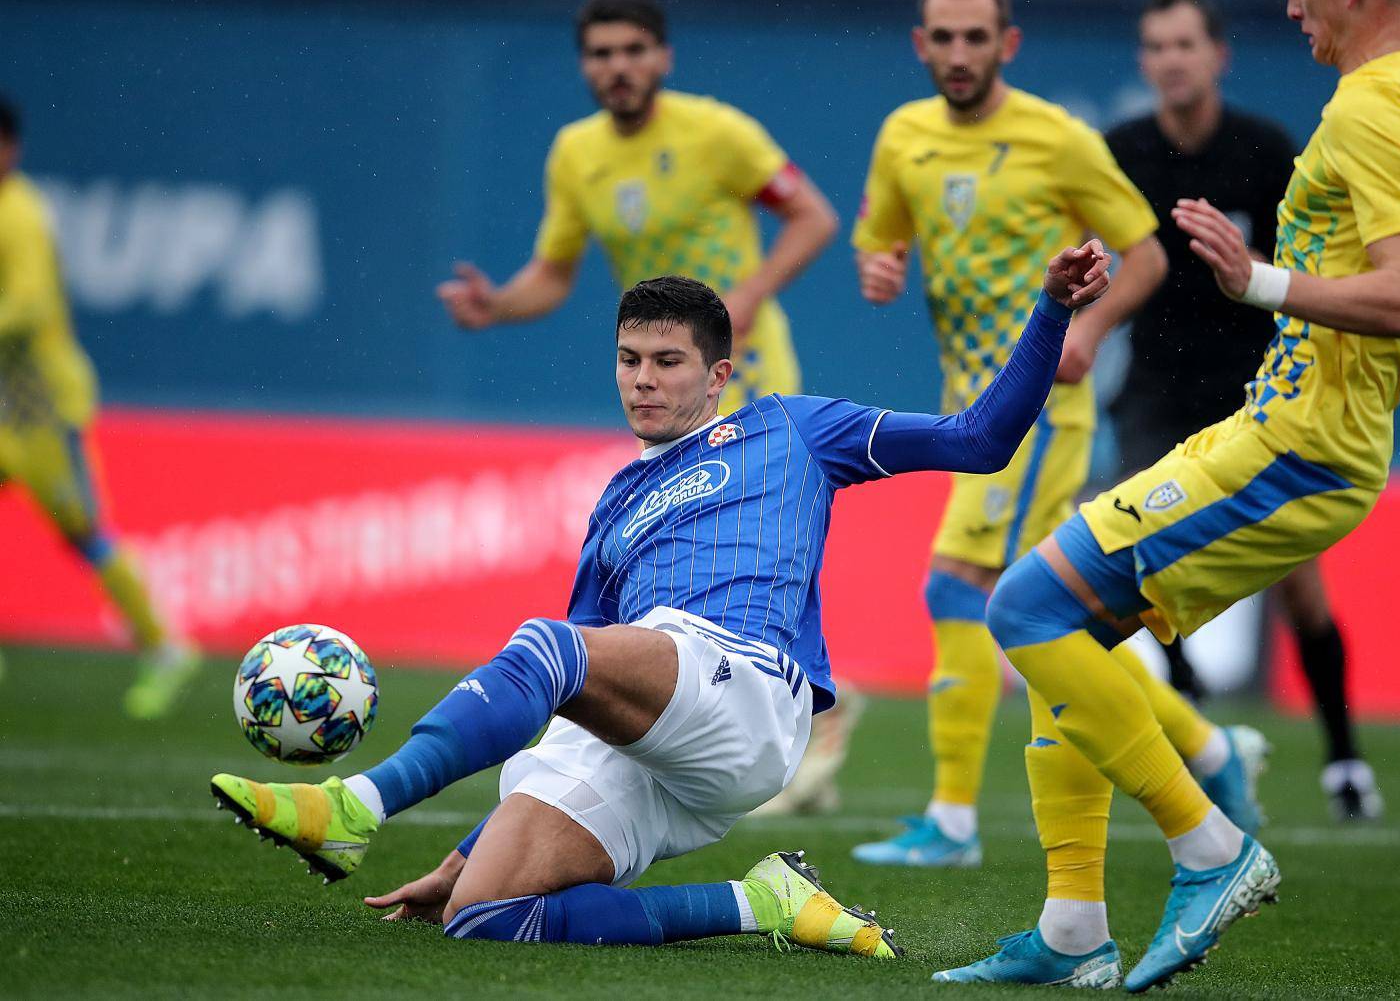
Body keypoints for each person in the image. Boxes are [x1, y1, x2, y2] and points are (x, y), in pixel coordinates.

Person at [958, 0, 1400, 991]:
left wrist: (1260, 283)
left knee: (1025, 610)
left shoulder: (1370, 106)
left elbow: (1398, 286)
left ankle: (1210, 843)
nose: (1289, 2)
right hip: (1296, 432)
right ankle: (1073, 926)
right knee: (1070, 628)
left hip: (1297, 444)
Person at [210, 244, 1116, 955]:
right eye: (629, 359)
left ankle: (356, 807)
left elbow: (982, 438)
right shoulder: (614, 504)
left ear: (719, 376)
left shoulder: (791, 427)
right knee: (487, 916)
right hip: (666, 734)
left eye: (669, 361)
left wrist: (1052, 310)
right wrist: (463, 859)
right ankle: (760, 901)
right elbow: (572, 703)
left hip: (749, 688)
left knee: (552, 642)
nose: (644, 378)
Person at [849, 0, 1261, 888]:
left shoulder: (1056, 140)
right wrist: (878, 263)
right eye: (942, 38)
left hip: (1037, 412)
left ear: (1008, 43)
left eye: (974, 37)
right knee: (1051, 624)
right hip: (967, 416)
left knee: (960, 587)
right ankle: (1205, 749)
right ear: (921, 45)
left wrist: (1092, 329)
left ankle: (953, 818)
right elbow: (884, 232)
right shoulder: (902, 135)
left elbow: (1148, 252)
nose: (958, 54)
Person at [437, 0, 860, 818]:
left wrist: (743, 301)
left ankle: (807, 710)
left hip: (746, 374)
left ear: (662, 58)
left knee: (768, 553)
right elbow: (552, 274)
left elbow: (813, 218)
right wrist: (498, 306)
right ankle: (706, 716)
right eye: (601, 54)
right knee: (678, 555)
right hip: (662, 378)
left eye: (633, 50)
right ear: (585, 66)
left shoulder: (717, 133)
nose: (618, 67)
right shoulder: (576, 153)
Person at [1106, 0, 1382, 820]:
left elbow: (1314, 267)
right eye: (1155, 46)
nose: (1170, 60)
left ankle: (1343, 761)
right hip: (1154, 388)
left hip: (1253, 386)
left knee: (1300, 584)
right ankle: (1194, 716)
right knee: (1130, 557)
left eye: (1184, 44)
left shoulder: (1263, 151)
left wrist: (1249, 264)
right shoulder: (1121, 151)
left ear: (1218, 56)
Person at [0, 94, 197, 719]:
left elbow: (27, 308)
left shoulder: (20, 214)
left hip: (42, 412)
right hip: (5, 404)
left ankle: (165, 647)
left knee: (84, 532)